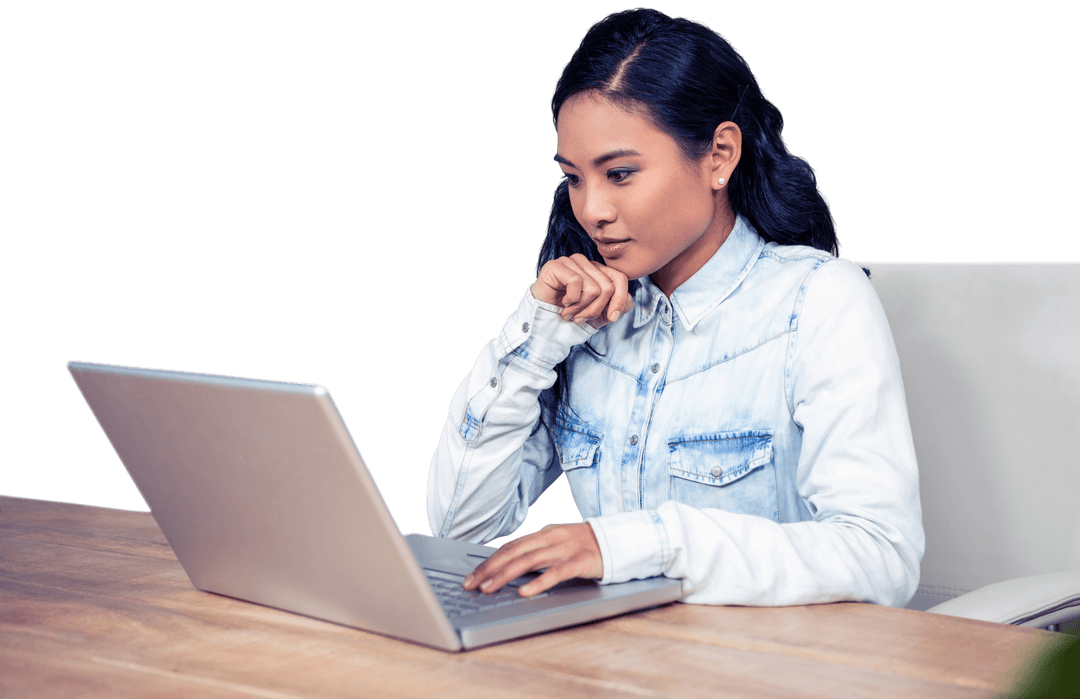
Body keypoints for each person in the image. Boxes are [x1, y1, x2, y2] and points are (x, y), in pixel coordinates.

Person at [426, 7, 923, 607]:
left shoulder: (819, 301)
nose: (592, 210)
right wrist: (537, 335)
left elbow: (880, 557)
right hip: (607, 661)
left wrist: (638, 546)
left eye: (620, 173)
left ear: (718, 155)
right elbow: (461, 527)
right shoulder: (584, 322)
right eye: (575, 179)